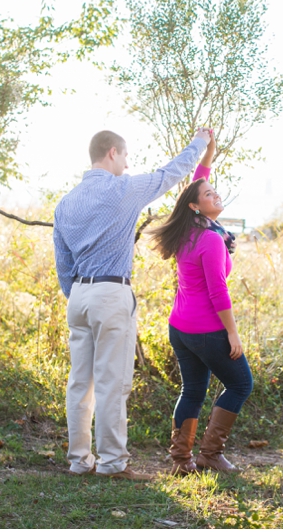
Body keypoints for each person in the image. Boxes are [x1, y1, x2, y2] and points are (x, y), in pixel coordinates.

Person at [52, 128, 211, 480]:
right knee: (112, 382)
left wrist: (79, 295)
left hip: (78, 296)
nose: (127, 163)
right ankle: (112, 464)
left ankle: (80, 461)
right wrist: (200, 142)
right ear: (112, 153)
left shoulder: (66, 203)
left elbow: (63, 263)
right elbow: (171, 173)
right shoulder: (123, 189)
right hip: (110, 292)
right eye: (124, 156)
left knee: (80, 383)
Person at [149, 132, 253, 475]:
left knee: (192, 389)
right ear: (196, 205)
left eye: (214, 190)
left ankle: (181, 461)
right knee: (240, 384)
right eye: (209, 194)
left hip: (180, 327)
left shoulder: (189, 228)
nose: (215, 193)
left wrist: (208, 152)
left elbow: (197, 182)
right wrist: (233, 334)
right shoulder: (209, 239)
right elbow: (218, 293)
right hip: (207, 328)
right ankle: (209, 454)